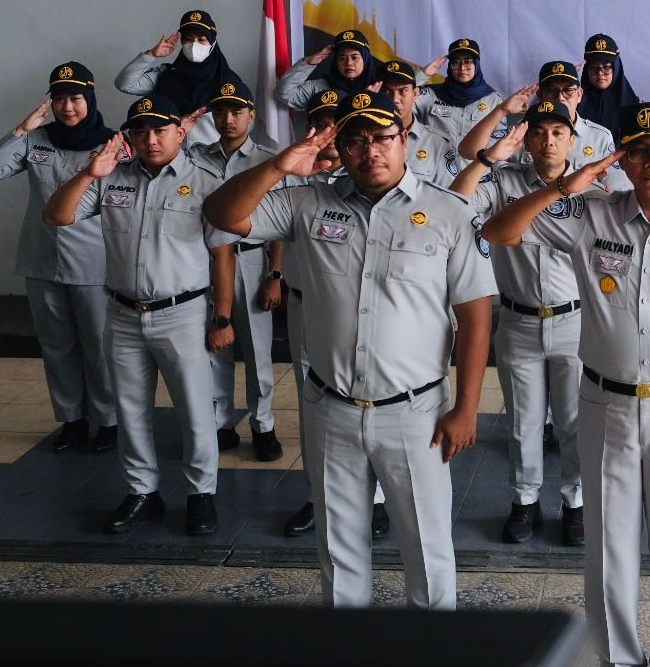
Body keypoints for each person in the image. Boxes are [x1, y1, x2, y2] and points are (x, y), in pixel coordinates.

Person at [480, 101, 650, 667]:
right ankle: (619, 664)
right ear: (621, 157)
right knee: (609, 545)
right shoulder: (586, 218)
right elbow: (499, 230)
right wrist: (564, 187)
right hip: (605, 404)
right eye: (640, 149)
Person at [204, 91, 495, 608]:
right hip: (329, 407)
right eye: (356, 139)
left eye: (383, 137)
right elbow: (223, 214)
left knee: (428, 554)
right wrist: (278, 166)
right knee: (339, 556)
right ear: (339, 145)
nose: (371, 150)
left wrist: (466, 408)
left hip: (416, 414)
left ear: (404, 140)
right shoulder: (307, 202)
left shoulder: (448, 212)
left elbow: (475, 315)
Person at [41, 92, 237, 537]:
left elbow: (223, 253)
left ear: (180, 132)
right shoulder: (112, 179)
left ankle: (200, 494)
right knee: (129, 409)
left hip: (183, 313)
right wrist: (88, 173)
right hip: (124, 312)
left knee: (195, 411)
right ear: (128, 135)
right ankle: (141, 492)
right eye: (141, 130)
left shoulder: (206, 180)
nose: (150, 139)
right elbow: (54, 216)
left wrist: (222, 318)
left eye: (160, 129)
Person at [451, 100, 588, 547]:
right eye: (538, 132)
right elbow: (456, 201)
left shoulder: (590, 188)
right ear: (526, 140)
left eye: (557, 132)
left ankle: (575, 503)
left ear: (572, 139)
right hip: (518, 319)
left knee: (572, 422)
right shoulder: (504, 182)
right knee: (523, 422)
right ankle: (524, 501)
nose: (548, 140)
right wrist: (490, 156)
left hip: (574, 319)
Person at [0, 61, 118, 453]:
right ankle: (72, 419)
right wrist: (20, 130)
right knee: (56, 347)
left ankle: (109, 421)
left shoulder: (111, 144)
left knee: (97, 347)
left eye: (75, 98)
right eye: (59, 99)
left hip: (93, 265)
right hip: (41, 262)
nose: (67, 107)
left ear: (89, 98)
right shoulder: (36, 141)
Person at [276, 91, 392, 542]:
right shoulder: (296, 179)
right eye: (322, 126)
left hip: (367, 307)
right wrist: (291, 169)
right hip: (307, 304)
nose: (326, 137)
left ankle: (377, 498)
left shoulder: (373, 179)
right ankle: (318, 493)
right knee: (315, 405)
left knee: (376, 402)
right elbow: (234, 215)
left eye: (335, 128)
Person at [190, 77, 287, 462]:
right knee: (214, 345)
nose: (227, 119)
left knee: (257, 351)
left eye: (236, 111)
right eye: (220, 112)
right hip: (204, 260)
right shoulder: (197, 157)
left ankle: (263, 424)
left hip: (250, 259)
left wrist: (275, 274)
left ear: (252, 113)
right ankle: (221, 422)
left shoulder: (267, 160)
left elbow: (281, 223)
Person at [458, 59, 629, 191]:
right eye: (552, 91)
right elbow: (468, 151)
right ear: (540, 95)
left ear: (579, 95)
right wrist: (501, 110)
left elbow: (618, 189)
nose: (560, 98)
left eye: (568, 91)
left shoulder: (599, 136)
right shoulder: (522, 131)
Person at [112, 9, 233, 146]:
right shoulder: (167, 75)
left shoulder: (228, 83)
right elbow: (125, 84)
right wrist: (151, 54)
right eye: (188, 39)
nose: (194, 45)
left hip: (212, 159)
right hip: (169, 157)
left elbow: (238, 126)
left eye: (201, 39)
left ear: (212, 43)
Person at [379, 58, 462, 188]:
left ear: (416, 93)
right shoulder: (364, 140)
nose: (395, 100)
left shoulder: (437, 143)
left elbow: (449, 196)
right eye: (386, 91)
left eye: (403, 91)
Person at [415, 37, 504, 143]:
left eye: (468, 62)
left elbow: (498, 140)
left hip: (475, 159)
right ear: (449, 66)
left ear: (476, 65)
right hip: (434, 159)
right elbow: (395, 103)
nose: (462, 68)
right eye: (456, 62)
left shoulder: (493, 100)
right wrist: (423, 73)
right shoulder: (430, 94)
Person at [273, 29, 379, 111]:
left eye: (354, 57)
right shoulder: (319, 88)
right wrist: (308, 63)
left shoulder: (378, 89)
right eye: (342, 58)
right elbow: (284, 93)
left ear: (366, 60)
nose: (348, 63)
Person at [578, 33, 640, 133]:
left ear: (617, 68)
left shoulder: (634, 107)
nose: (600, 73)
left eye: (606, 67)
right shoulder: (575, 103)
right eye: (594, 67)